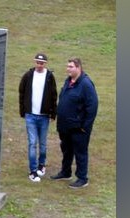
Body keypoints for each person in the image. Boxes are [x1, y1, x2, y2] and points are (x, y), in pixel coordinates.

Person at [52, 57, 98, 189]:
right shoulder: (68, 81)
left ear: (79, 67)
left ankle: (82, 178)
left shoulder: (86, 84)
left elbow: (92, 107)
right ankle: (65, 172)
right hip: (65, 126)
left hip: (79, 128)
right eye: (67, 66)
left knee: (80, 152)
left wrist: (85, 127)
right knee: (66, 150)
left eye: (71, 66)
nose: (68, 69)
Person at [17, 52, 58, 182]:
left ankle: (41, 164)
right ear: (34, 63)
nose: (39, 65)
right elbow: (21, 92)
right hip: (30, 115)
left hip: (44, 116)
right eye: (37, 62)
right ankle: (33, 171)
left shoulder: (50, 77)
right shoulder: (28, 76)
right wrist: (23, 111)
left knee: (43, 143)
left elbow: (53, 95)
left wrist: (53, 114)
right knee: (32, 143)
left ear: (45, 64)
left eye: (42, 63)